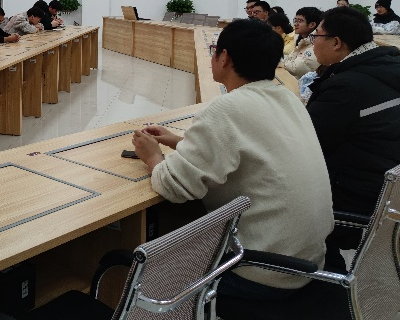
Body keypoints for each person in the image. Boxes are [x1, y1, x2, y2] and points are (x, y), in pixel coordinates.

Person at [131, 19, 333, 299]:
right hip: (307, 262)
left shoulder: (226, 108)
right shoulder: (289, 99)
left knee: (151, 254)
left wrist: (152, 155)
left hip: (261, 271)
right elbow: (247, 150)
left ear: (224, 57)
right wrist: (179, 141)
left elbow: (173, 186)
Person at [307, 7, 400, 255]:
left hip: (352, 199)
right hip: (383, 195)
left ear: (336, 42)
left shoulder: (346, 86)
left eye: (316, 36)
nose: (313, 43)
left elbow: (306, 143)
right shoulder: (388, 67)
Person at [283, 6, 322, 78]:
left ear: (312, 25)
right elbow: (289, 58)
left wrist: (280, 63)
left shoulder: (316, 42)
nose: (295, 24)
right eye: (295, 20)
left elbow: (296, 68)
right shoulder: (303, 40)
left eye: (300, 21)